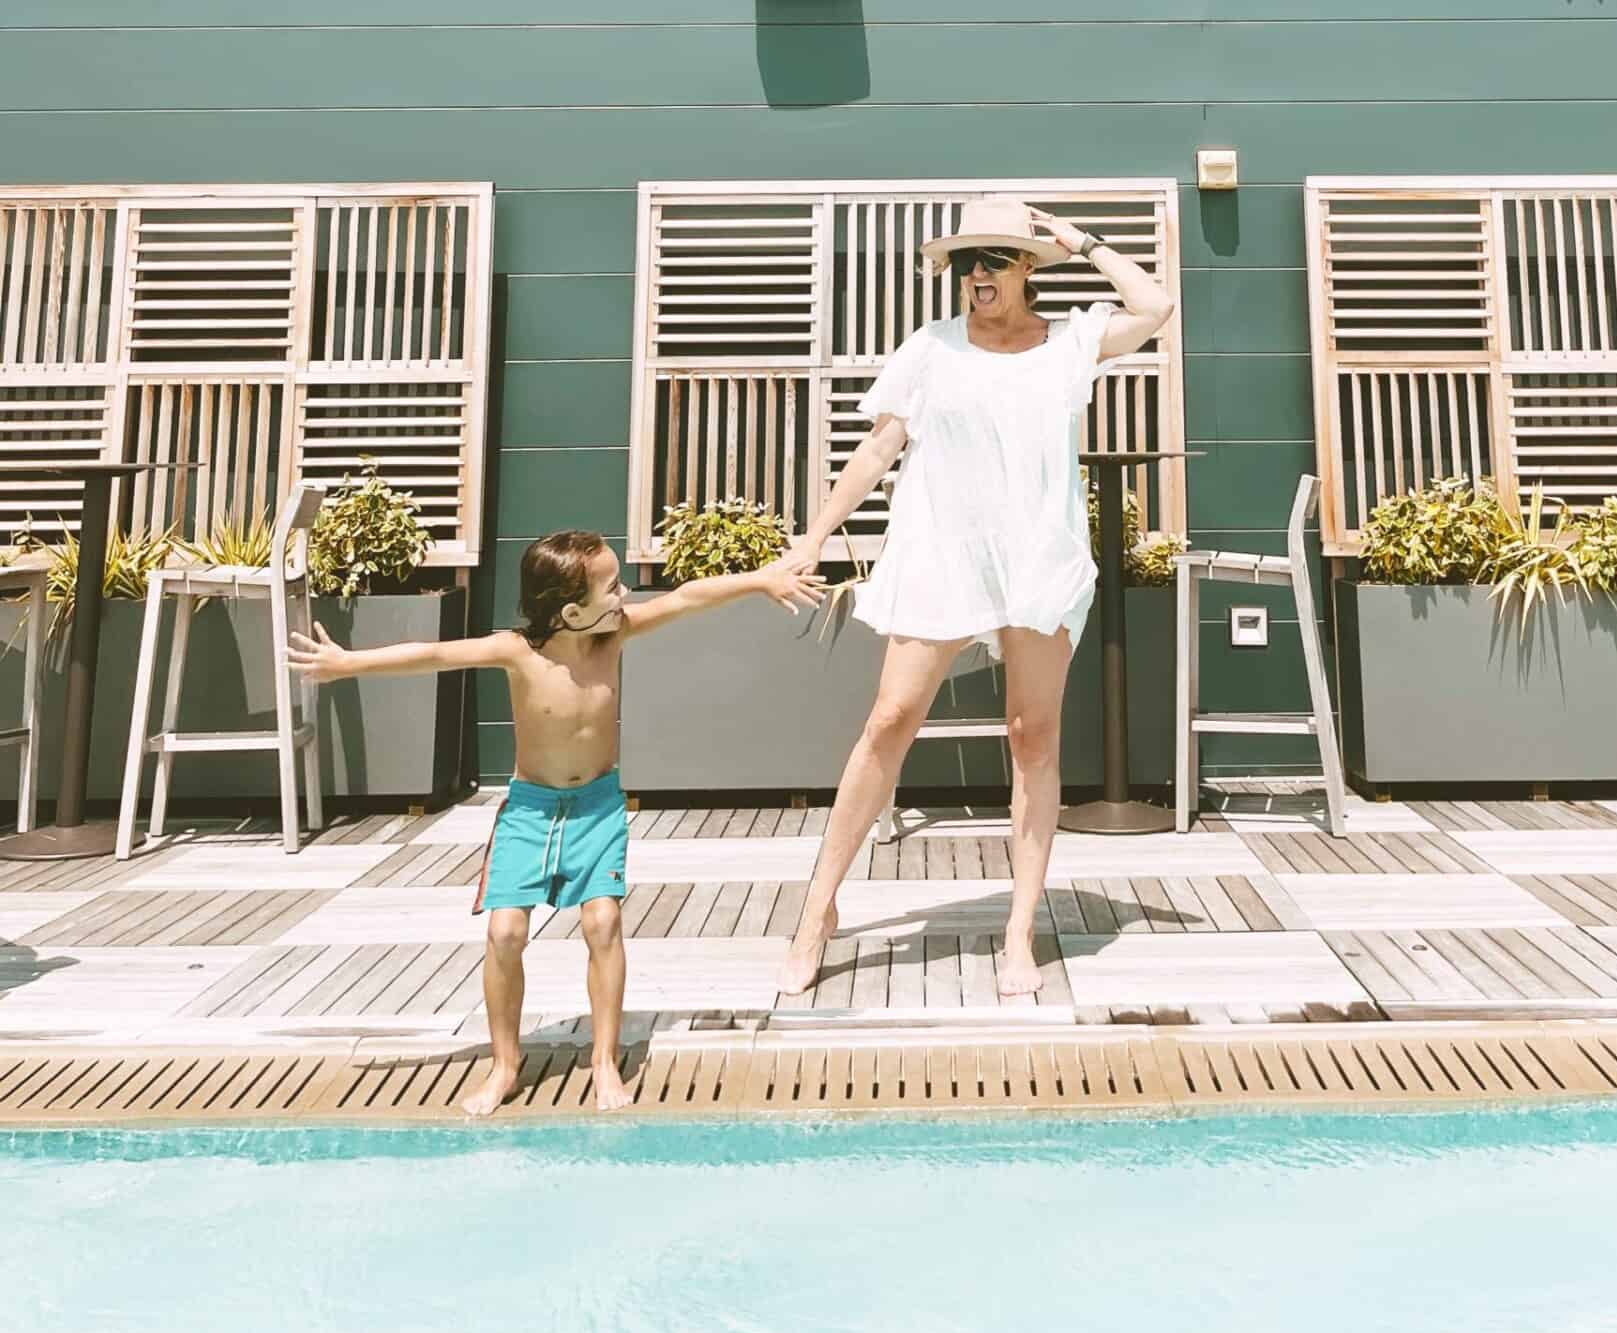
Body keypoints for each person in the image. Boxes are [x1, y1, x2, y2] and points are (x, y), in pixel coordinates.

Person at [772, 196, 1176, 996]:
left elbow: (1156, 306)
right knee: (888, 721)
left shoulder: (1071, 342)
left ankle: (1019, 931)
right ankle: (817, 910)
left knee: (1032, 738)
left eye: (994, 259)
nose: (977, 275)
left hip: (1037, 563)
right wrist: (814, 536)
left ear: (1028, 268)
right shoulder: (931, 348)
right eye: (965, 263)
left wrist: (1081, 239)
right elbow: (880, 445)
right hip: (941, 558)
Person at [287, 530, 824, 1115]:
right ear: (571, 611)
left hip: (596, 808)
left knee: (602, 924)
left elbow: (687, 598)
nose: (625, 595)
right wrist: (345, 663)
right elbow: (434, 654)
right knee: (505, 934)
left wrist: (760, 580)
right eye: (613, 586)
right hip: (530, 812)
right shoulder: (518, 652)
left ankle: (601, 1059)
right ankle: (505, 1063)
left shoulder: (613, 637)